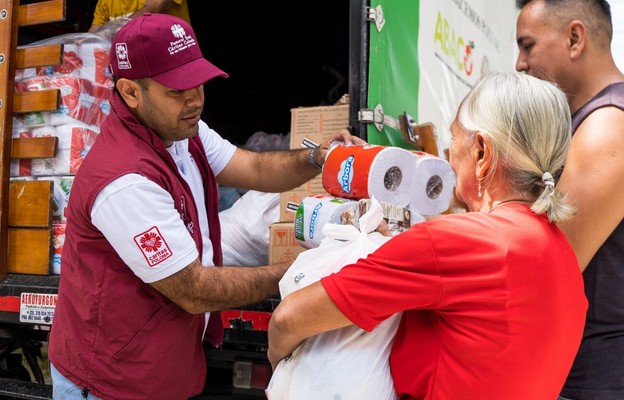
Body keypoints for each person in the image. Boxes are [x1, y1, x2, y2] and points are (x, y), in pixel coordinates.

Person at [47, 13, 364, 400]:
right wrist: (307, 268)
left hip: (159, 373)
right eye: (176, 90)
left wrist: (319, 159)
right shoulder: (123, 181)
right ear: (131, 92)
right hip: (109, 386)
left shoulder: (179, 130)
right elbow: (193, 288)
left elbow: (253, 167)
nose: (195, 99)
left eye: (197, 82)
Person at [267, 72, 588, 400]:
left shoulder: (456, 244)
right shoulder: (565, 262)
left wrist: (285, 369)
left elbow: (289, 319)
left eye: (455, 139)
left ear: (482, 153)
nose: (449, 156)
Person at [515, 1, 624, 399]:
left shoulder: (609, 125)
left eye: (527, 46)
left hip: (596, 380)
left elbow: (550, 264)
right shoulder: (588, 123)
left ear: (574, 38)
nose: (519, 63)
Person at [88, 0, 191, 32]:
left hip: (176, 57)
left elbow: (158, 4)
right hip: (138, 68)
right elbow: (95, 32)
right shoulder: (104, 2)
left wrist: (114, 31)